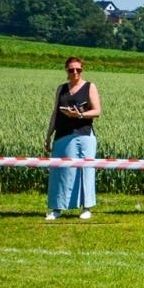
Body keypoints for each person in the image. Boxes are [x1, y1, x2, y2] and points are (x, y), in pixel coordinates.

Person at [42, 56, 101, 220]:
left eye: (78, 69)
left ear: (82, 70)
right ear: (66, 70)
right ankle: (56, 208)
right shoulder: (61, 89)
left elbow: (97, 111)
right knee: (60, 171)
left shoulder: (90, 87)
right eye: (71, 69)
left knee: (85, 170)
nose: (75, 72)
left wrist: (79, 115)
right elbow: (55, 113)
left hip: (84, 134)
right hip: (62, 134)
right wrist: (48, 135)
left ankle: (86, 207)